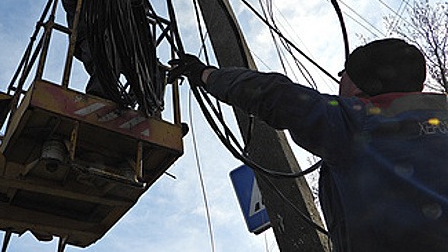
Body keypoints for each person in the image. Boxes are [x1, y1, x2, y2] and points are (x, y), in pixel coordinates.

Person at [169, 38, 448, 252]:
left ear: (361, 85)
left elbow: (274, 95)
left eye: (344, 73)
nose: (339, 79)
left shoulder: (356, 122)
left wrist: (204, 74)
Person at [59, 0, 107, 98]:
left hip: (117, 35)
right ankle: (98, 97)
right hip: (88, 34)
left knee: (153, 68)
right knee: (103, 59)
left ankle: (150, 107)